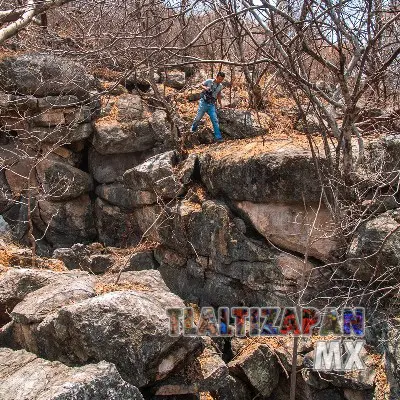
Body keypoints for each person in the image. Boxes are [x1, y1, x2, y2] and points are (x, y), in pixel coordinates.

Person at [191, 71, 225, 141]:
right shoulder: (209, 81)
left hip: (211, 104)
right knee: (197, 118)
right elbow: (201, 85)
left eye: (222, 79)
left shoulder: (221, 86)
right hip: (203, 103)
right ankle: (192, 130)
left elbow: (218, 95)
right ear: (216, 77)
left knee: (215, 120)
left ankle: (218, 137)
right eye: (219, 79)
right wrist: (205, 88)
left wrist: (221, 104)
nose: (220, 80)